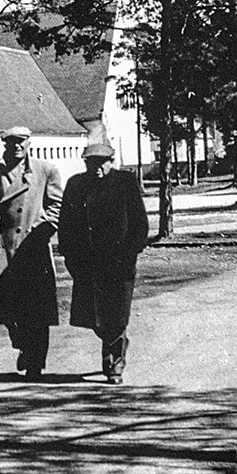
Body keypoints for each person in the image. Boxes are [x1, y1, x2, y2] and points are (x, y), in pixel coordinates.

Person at [59, 143, 149, 385]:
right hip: (88, 263)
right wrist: (70, 256)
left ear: (112, 160)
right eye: (90, 163)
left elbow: (140, 223)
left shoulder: (125, 182)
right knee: (94, 318)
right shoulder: (76, 185)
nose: (96, 168)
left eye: (101, 163)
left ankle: (114, 364)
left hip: (118, 262)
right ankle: (114, 344)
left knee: (116, 315)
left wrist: (131, 252)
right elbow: (65, 224)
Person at [0, 126, 62, 380]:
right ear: (4, 144)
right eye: (11, 142)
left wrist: (44, 227)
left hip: (33, 247)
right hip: (5, 247)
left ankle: (35, 362)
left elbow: (56, 206)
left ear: (29, 143)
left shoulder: (45, 170)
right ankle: (24, 345)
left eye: (21, 141)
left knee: (37, 307)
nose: (16, 146)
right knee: (7, 306)